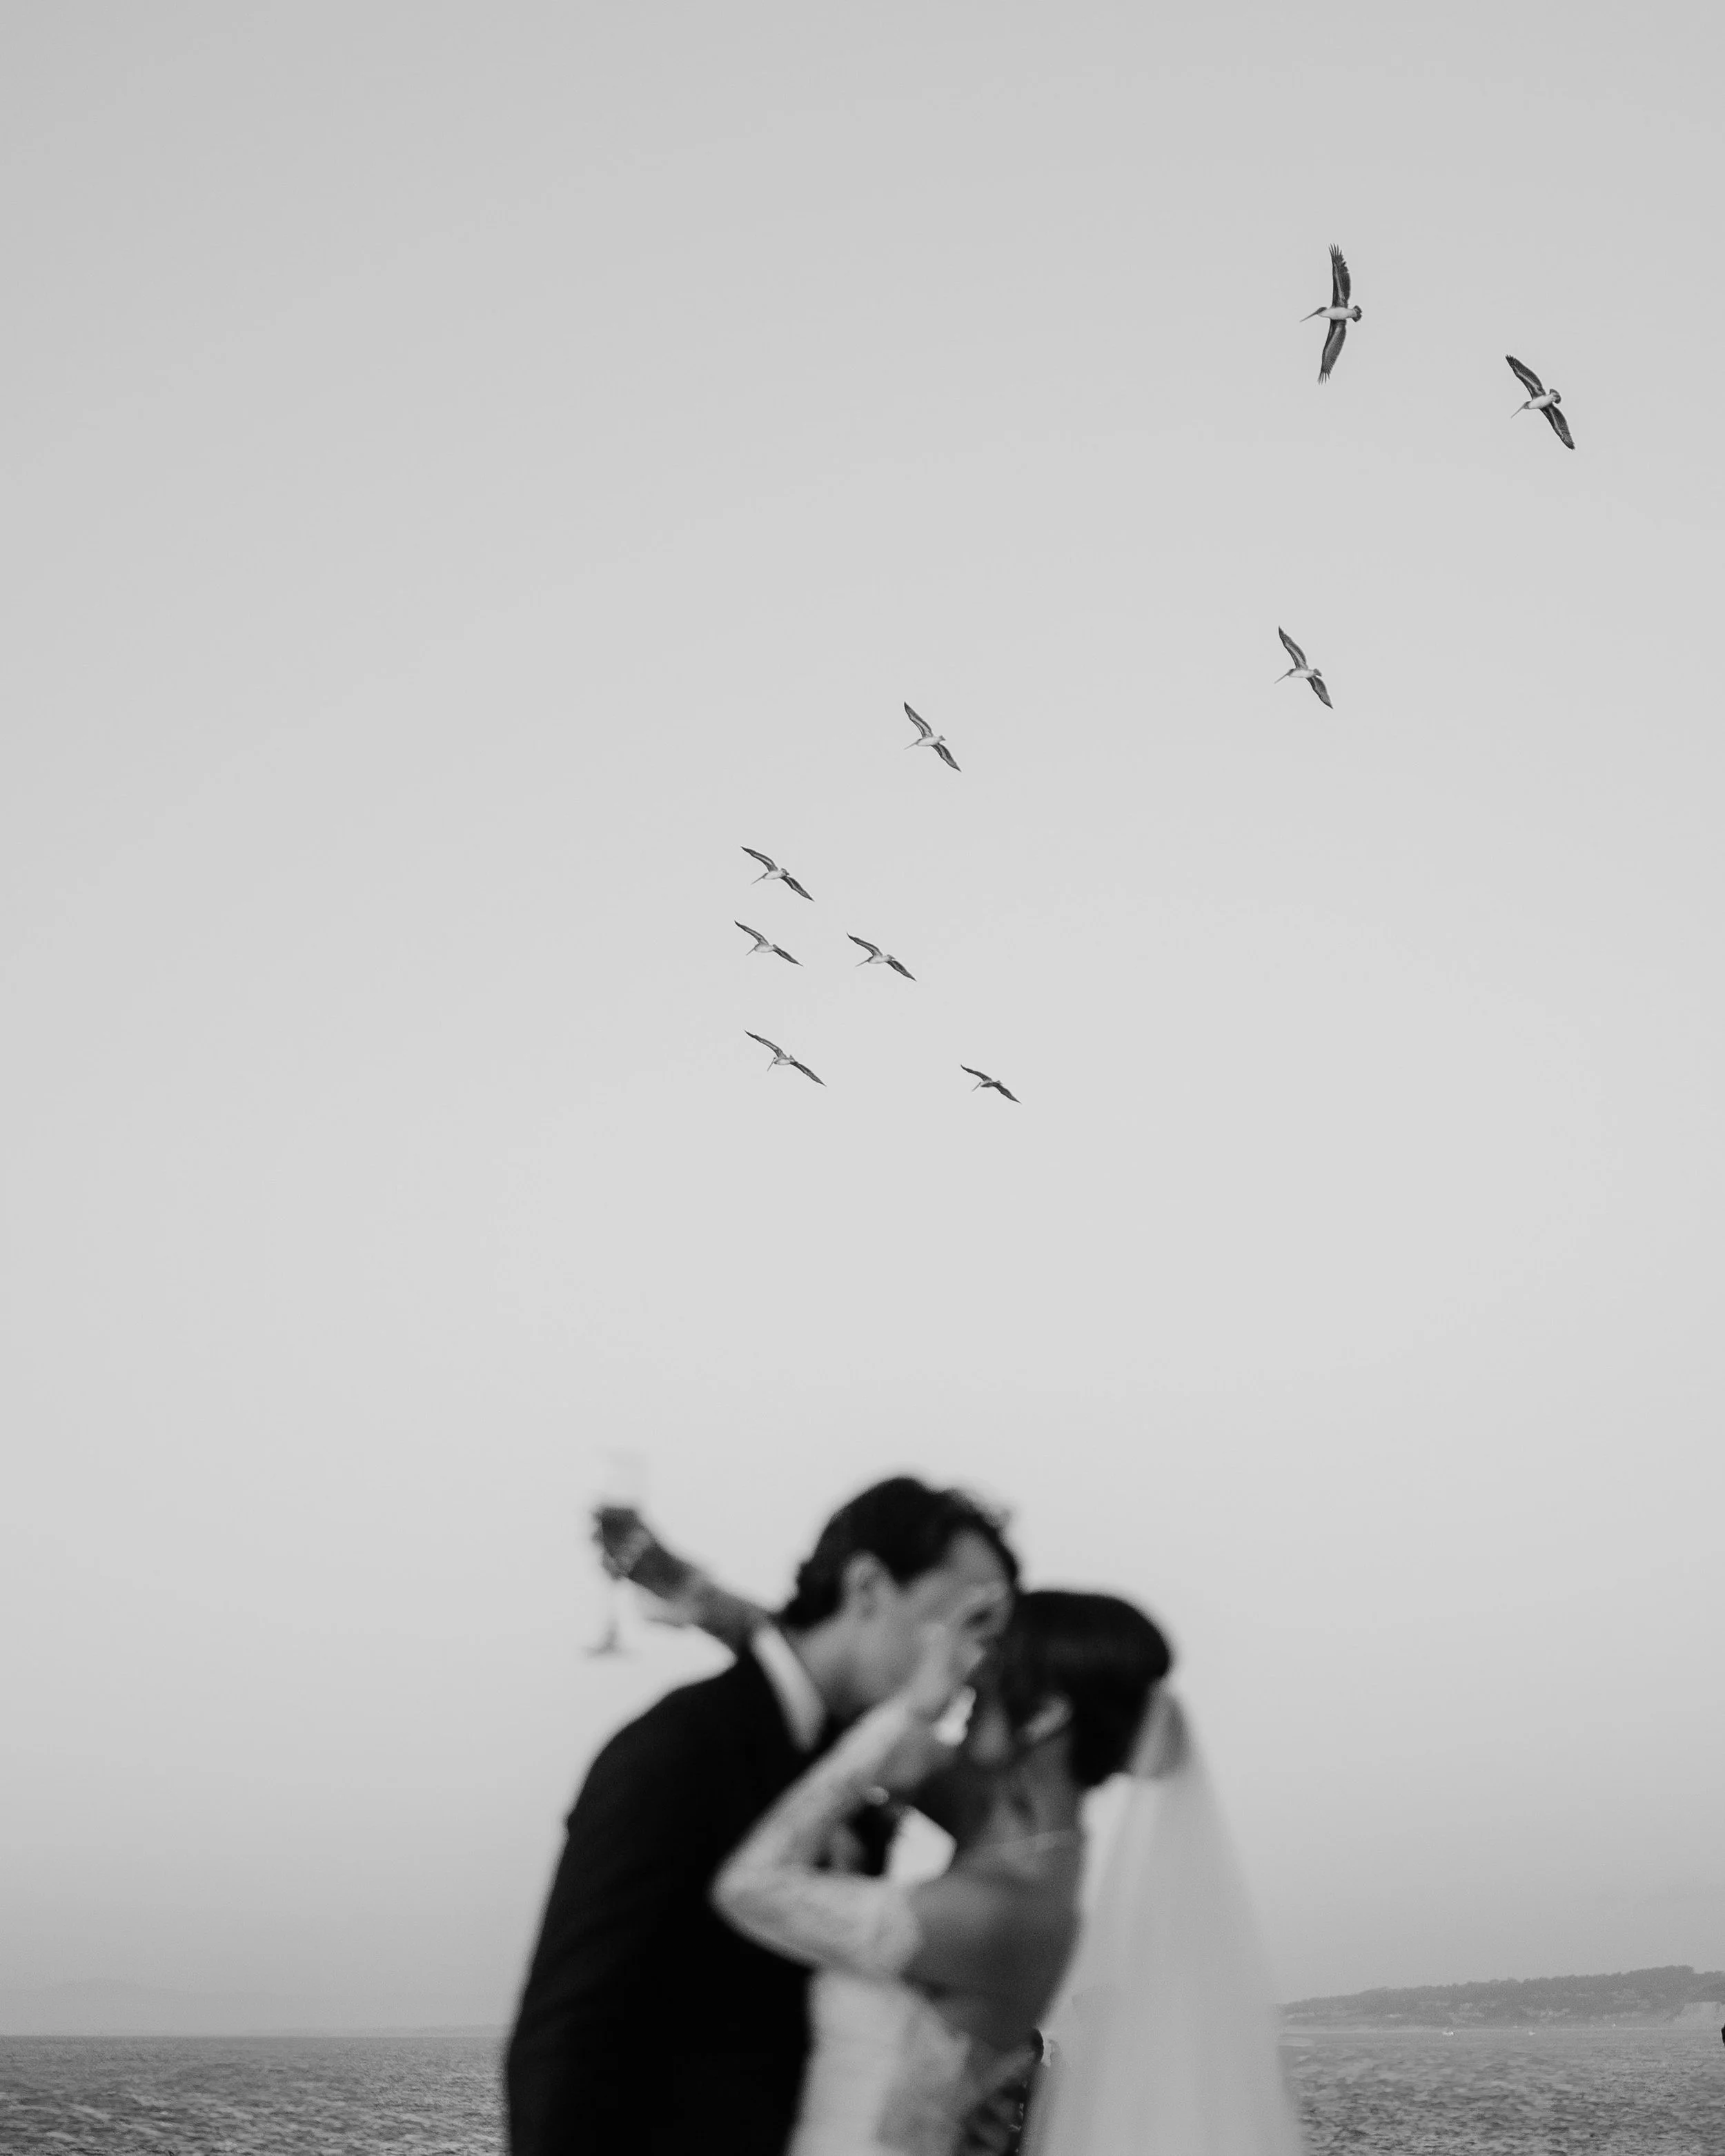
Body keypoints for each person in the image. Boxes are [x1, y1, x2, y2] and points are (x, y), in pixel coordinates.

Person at [504, 1476, 1018, 2156]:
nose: (972, 1661)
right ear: (868, 1587)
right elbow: (564, 2047)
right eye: (959, 1620)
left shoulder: (850, 1767)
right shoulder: (679, 1751)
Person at [710, 1587, 1173, 2156]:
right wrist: (707, 1603)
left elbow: (748, 1888)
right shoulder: (1017, 1836)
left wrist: (914, 1708)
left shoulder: (999, 1910)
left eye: (993, 1668)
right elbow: (852, 1714)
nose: (968, 1683)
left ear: (1048, 1712)